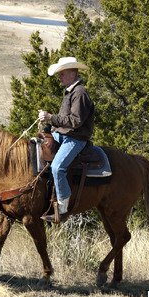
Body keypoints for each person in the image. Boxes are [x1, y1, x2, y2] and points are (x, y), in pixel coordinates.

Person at [38, 57, 94, 223]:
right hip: (64, 134)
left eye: (62, 74)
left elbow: (76, 121)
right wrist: (51, 125)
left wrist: (51, 117)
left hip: (76, 138)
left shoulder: (80, 93)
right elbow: (65, 120)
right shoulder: (70, 91)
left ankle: (63, 208)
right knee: (35, 146)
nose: (59, 77)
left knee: (57, 167)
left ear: (72, 72)